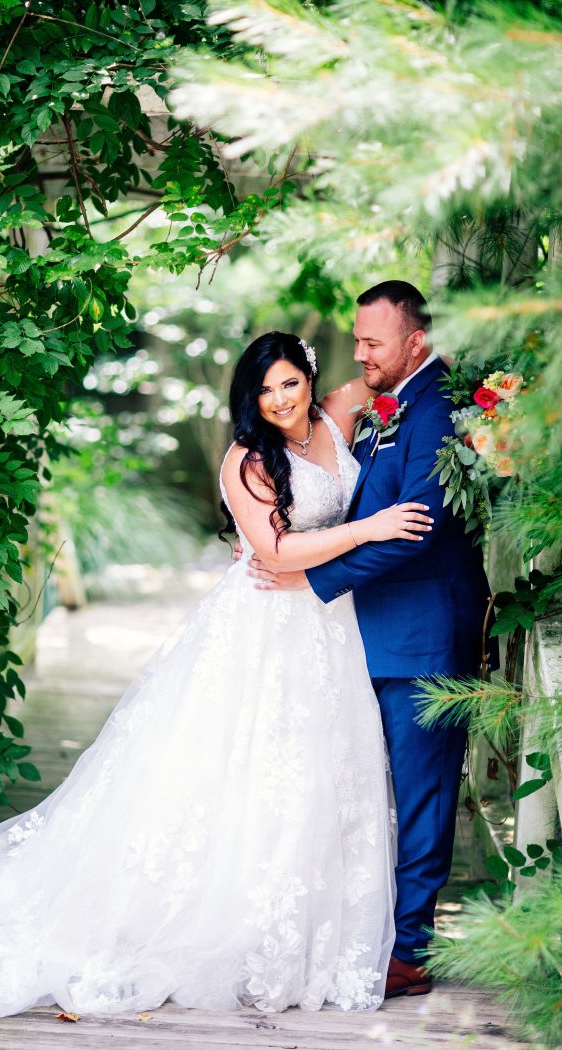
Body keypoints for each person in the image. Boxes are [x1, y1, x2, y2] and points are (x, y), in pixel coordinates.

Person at [0, 331, 432, 1019]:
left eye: (290, 382)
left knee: (322, 773)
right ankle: (236, 932)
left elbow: (405, 376)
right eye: (265, 389)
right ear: (249, 397)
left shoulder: (337, 413)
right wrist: (370, 529)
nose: (280, 399)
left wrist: (484, 398)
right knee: (251, 771)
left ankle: (308, 935)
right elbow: (277, 552)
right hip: (267, 623)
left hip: (332, 624)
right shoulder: (247, 459)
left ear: (310, 378)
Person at [246, 283, 498, 999]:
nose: (359, 353)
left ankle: (409, 950)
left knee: (421, 796)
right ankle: (363, 932)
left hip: (422, 637)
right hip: (363, 636)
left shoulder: (438, 406)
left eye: (373, 342)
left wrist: (312, 578)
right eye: (356, 339)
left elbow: (417, 525)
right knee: (360, 794)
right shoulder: (392, 400)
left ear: (417, 342)